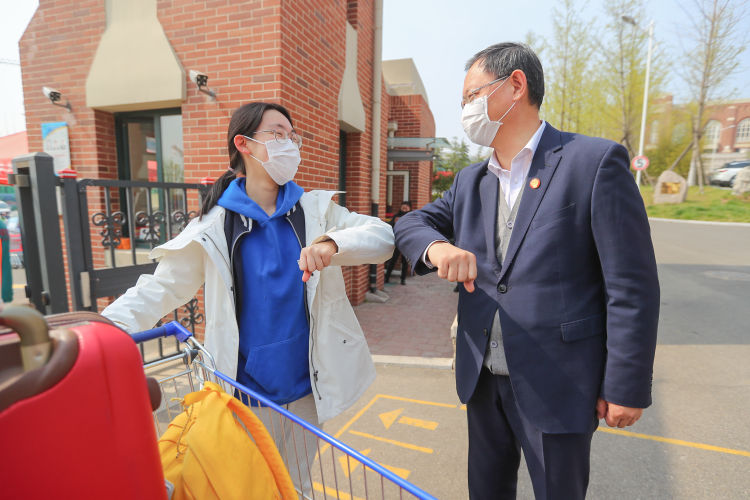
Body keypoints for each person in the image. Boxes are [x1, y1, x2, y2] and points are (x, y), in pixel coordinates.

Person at [395, 43, 659, 499]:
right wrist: (437, 247)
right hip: (482, 379)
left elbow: (631, 286)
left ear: (515, 86)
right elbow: (410, 224)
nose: (467, 110)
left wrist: (626, 384)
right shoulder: (471, 181)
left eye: (471, 96)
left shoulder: (592, 163)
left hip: (559, 379)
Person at [103, 101, 394, 495]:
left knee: (294, 486)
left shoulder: (315, 210)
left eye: (294, 136)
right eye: (278, 133)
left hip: (307, 389)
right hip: (242, 394)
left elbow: (382, 237)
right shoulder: (215, 225)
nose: (290, 143)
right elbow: (161, 287)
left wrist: (332, 242)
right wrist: (103, 329)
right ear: (244, 144)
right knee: (246, 488)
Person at [384, 200, 412, 285]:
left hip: (406, 242)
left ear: (409, 208)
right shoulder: (396, 216)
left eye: (406, 207)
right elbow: (390, 226)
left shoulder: (411, 217)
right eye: (403, 206)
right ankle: (387, 278)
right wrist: (394, 222)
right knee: (392, 261)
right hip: (397, 241)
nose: (404, 208)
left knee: (404, 262)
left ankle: (403, 279)